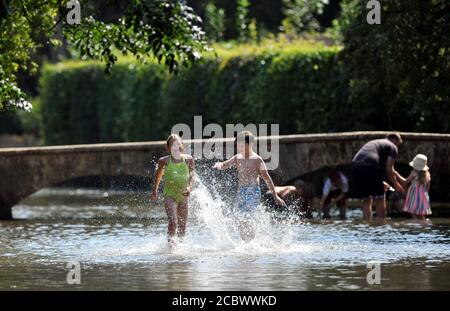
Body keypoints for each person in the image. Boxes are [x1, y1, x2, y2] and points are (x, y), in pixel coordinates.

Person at [213, 131, 286, 241]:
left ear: (250, 144)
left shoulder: (257, 159)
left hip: (253, 192)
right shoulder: (237, 158)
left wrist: (275, 196)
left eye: (242, 145)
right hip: (241, 192)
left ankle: (251, 241)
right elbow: (225, 164)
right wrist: (220, 165)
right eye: (238, 145)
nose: (239, 147)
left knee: (246, 218)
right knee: (238, 219)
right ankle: (248, 243)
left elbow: (267, 178)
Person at [151, 134, 195, 246]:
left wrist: (190, 187)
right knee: (173, 222)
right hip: (169, 195)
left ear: (182, 146)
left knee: (182, 225)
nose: (175, 147)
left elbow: (192, 175)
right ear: (168, 148)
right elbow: (158, 175)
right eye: (172, 145)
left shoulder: (189, 160)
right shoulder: (163, 161)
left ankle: (179, 246)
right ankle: (171, 247)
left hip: (184, 195)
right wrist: (155, 190)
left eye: (177, 144)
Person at [351, 133, 405, 221]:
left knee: (366, 199)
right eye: (398, 144)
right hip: (370, 166)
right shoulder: (393, 146)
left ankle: (366, 224)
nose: (397, 147)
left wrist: (381, 182)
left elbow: (369, 170)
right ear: (395, 140)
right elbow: (389, 169)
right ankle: (381, 224)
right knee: (380, 197)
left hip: (355, 166)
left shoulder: (376, 143)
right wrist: (396, 185)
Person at [396, 154, 432, 220]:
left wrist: (396, 174)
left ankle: (415, 227)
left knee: (413, 213)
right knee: (421, 215)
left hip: (414, 196)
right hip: (423, 196)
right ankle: (423, 225)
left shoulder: (414, 173)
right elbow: (428, 187)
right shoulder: (427, 174)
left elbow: (405, 182)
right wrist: (425, 196)